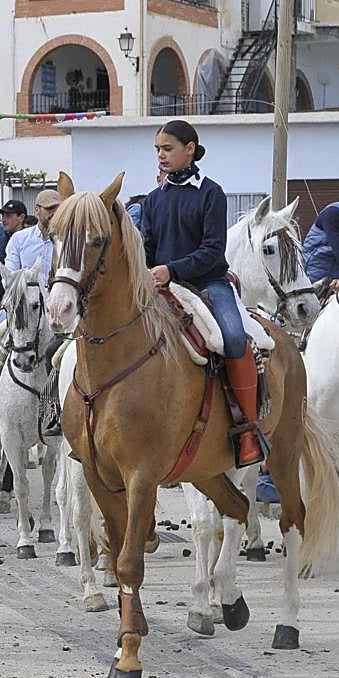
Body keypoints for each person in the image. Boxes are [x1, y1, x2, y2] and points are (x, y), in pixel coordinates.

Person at [142, 119, 267, 467]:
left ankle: (246, 427)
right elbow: (148, 249)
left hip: (209, 283)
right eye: (157, 150)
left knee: (233, 339)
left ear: (190, 149)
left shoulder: (211, 193)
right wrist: (149, 271)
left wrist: (172, 270)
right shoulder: (153, 200)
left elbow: (213, 250)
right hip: (162, 285)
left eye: (168, 149)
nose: (161, 156)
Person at [0, 197, 45, 422]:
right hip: (10, 304)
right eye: (2, 215)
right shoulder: (1, 242)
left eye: (9, 215)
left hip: (44, 305)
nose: (3, 219)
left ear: (21, 218)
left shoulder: (40, 239)